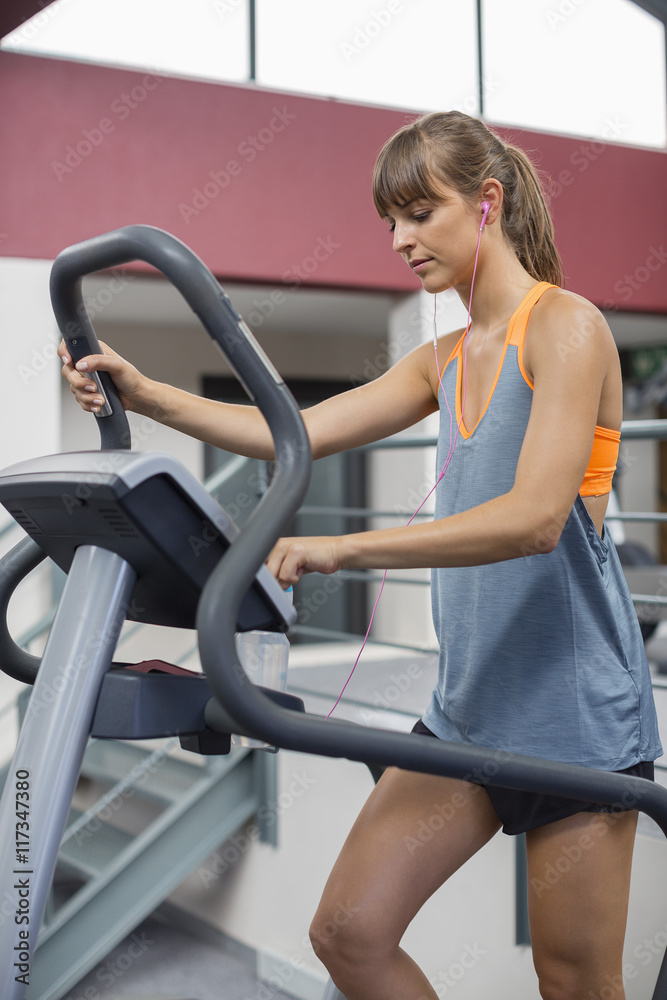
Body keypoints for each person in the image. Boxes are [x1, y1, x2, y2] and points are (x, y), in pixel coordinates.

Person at [61, 111, 662, 1000]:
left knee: (574, 984)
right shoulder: (442, 360)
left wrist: (344, 549)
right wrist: (146, 394)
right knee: (349, 933)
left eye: (419, 213)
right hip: (468, 709)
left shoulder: (565, 327)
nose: (399, 239)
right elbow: (290, 431)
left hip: (573, 728)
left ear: (486, 203)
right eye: (391, 221)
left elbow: (534, 519)